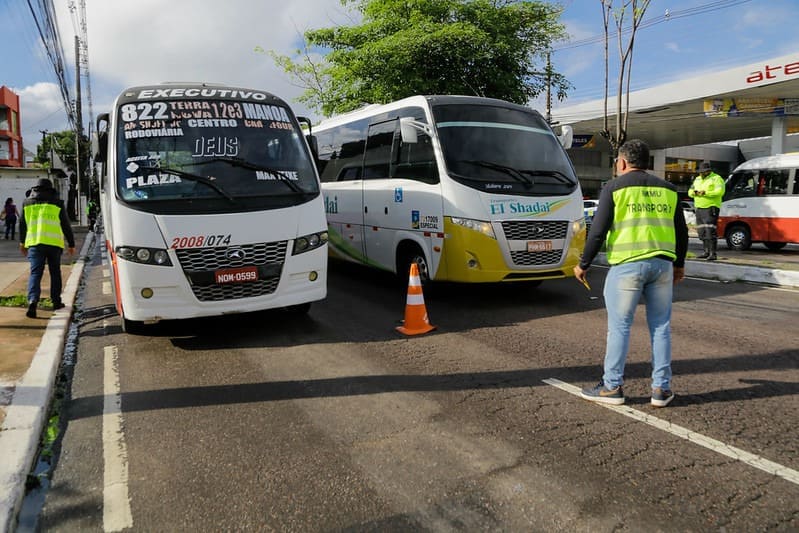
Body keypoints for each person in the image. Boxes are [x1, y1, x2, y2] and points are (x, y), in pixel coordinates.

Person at [574, 139, 688, 408]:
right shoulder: (669, 190)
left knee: (620, 327)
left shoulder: (613, 188)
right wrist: (679, 265)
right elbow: (681, 232)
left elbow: (598, 230)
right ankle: (661, 388)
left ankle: (612, 386)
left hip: (626, 266)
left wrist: (584, 263)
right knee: (661, 327)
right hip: (662, 266)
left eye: (617, 162)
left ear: (623, 162)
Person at [19, 178, 75, 318]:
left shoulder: (27, 203)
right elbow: (65, 224)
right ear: (51, 189)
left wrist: (22, 243)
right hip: (54, 244)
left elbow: (22, 225)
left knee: (35, 273)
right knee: (55, 272)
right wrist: (71, 244)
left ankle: (33, 301)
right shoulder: (57, 203)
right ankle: (56, 302)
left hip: (34, 244)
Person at [688, 162, 725, 260]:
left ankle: (713, 254)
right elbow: (690, 192)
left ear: (708, 171)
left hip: (710, 208)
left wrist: (703, 193)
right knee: (702, 231)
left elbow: (719, 192)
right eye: (699, 172)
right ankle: (706, 252)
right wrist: (698, 193)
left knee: (710, 230)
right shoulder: (697, 179)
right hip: (699, 208)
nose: (700, 174)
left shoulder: (716, 179)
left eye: (702, 172)